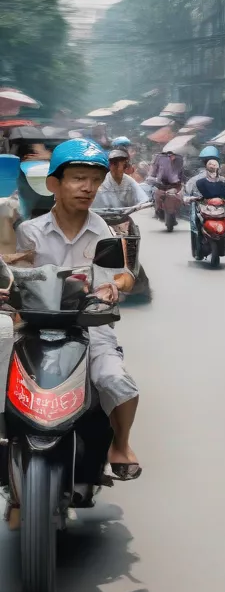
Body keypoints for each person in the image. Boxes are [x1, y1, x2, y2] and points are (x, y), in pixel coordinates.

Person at [14, 139, 141, 481]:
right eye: (78, 178)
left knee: (116, 381)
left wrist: (114, 286)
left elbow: (125, 275)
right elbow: (15, 274)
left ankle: (120, 445)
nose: (88, 188)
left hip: (90, 325)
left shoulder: (104, 231)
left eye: (95, 180)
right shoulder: (29, 232)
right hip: (35, 325)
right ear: (53, 184)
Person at [94, 147, 147, 211]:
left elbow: (143, 200)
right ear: (109, 165)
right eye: (115, 164)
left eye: (122, 164)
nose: (118, 168)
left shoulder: (129, 181)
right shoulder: (103, 182)